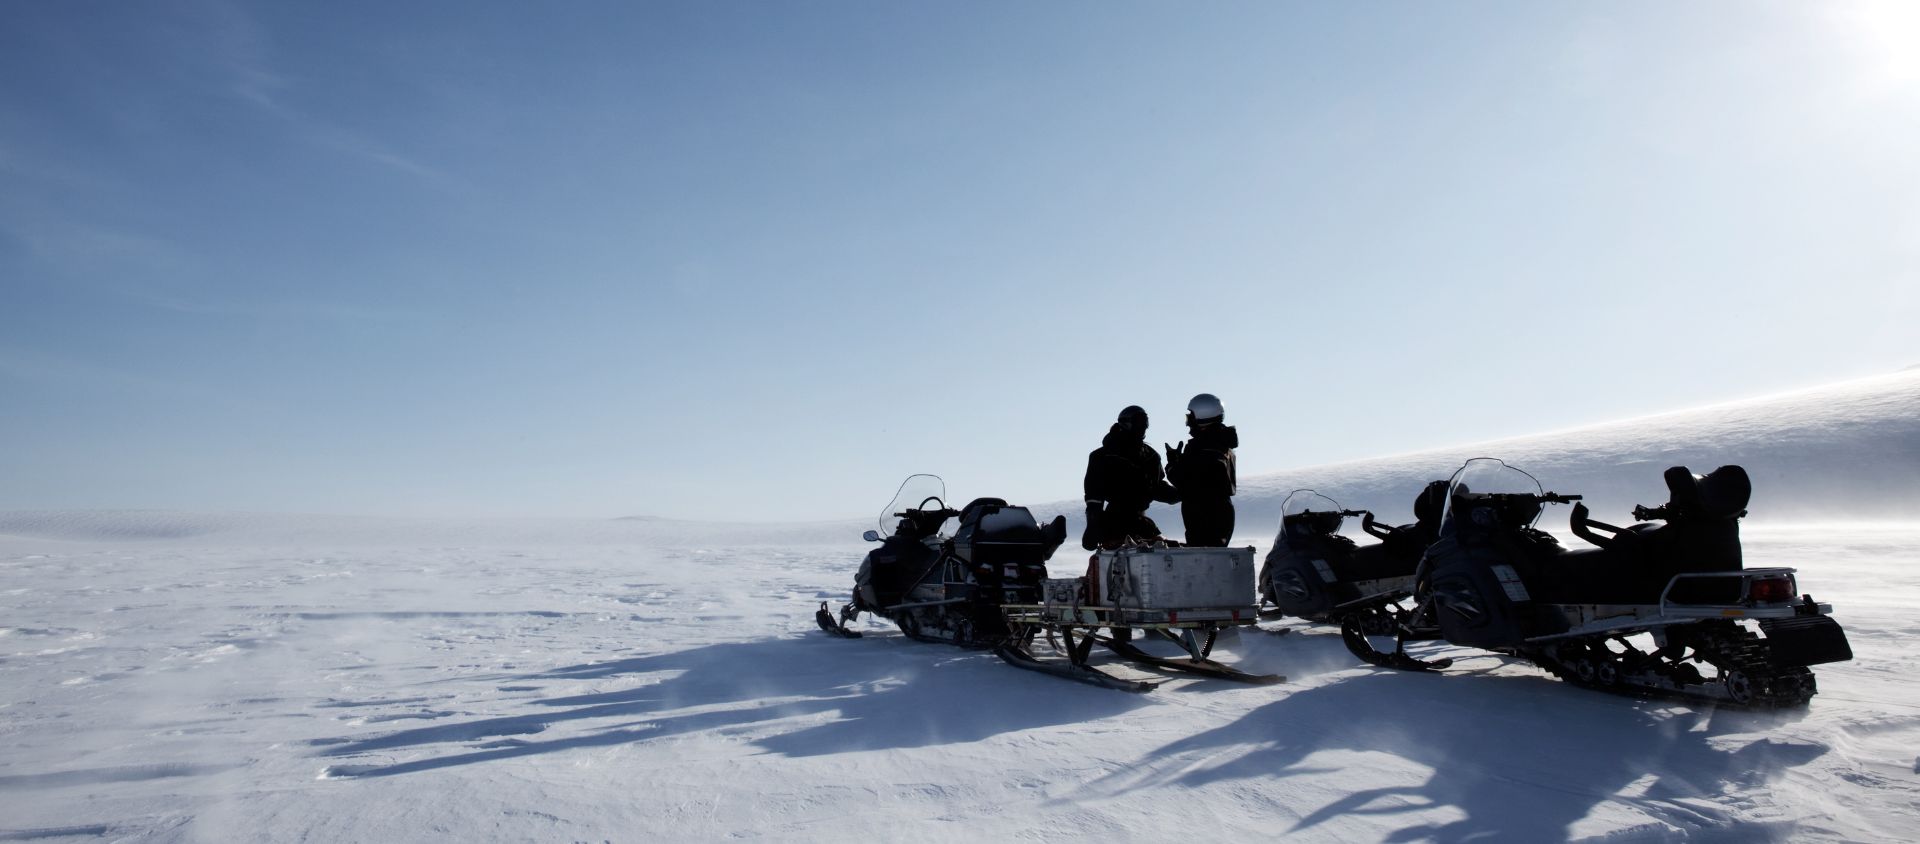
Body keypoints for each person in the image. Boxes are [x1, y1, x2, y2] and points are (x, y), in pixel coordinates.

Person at [1082, 405, 1181, 550]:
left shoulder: (1150, 456)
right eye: (1138, 423)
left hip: (1141, 523)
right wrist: (1092, 526)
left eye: (1144, 424)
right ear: (1126, 424)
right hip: (1113, 523)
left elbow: (1158, 488)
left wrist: (1183, 490)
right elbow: (1094, 497)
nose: (1142, 429)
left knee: (1162, 550)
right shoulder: (1103, 456)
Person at [1165, 393, 1238, 547]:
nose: (1188, 422)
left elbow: (1186, 481)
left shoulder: (1203, 448)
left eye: (1190, 417)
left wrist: (1172, 464)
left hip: (1205, 514)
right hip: (1220, 512)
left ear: (1201, 416)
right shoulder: (1222, 446)